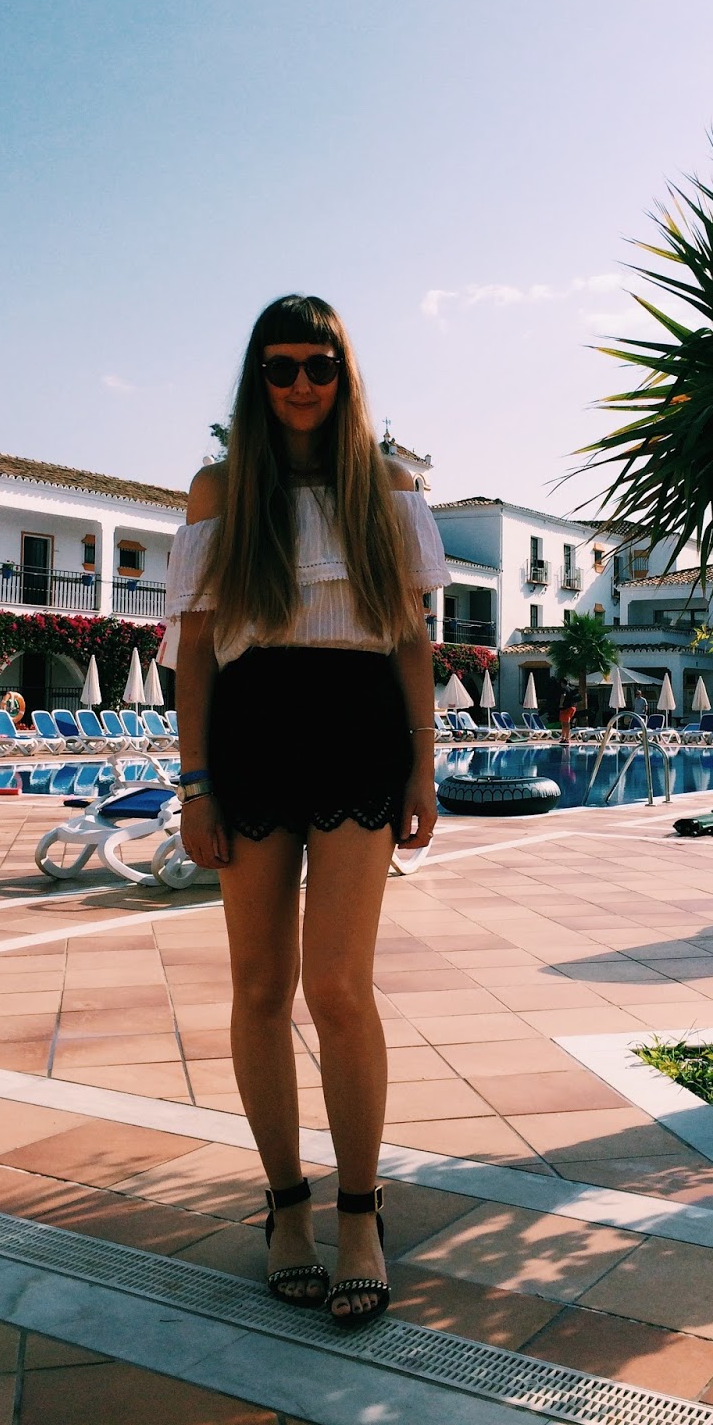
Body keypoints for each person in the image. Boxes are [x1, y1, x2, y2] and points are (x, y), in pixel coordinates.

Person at [164, 294, 449, 1329]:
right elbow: (198, 650)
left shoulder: (389, 487)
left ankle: (360, 1216)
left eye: (318, 365)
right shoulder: (220, 490)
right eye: (280, 366)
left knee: (337, 985)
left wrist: (423, 768)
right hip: (252, 729)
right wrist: (194, 783)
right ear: (259, 378)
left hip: (357, 725)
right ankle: (286, 1206)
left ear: (343, 373)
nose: (300, 384)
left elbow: (411, 639)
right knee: (257, 986)